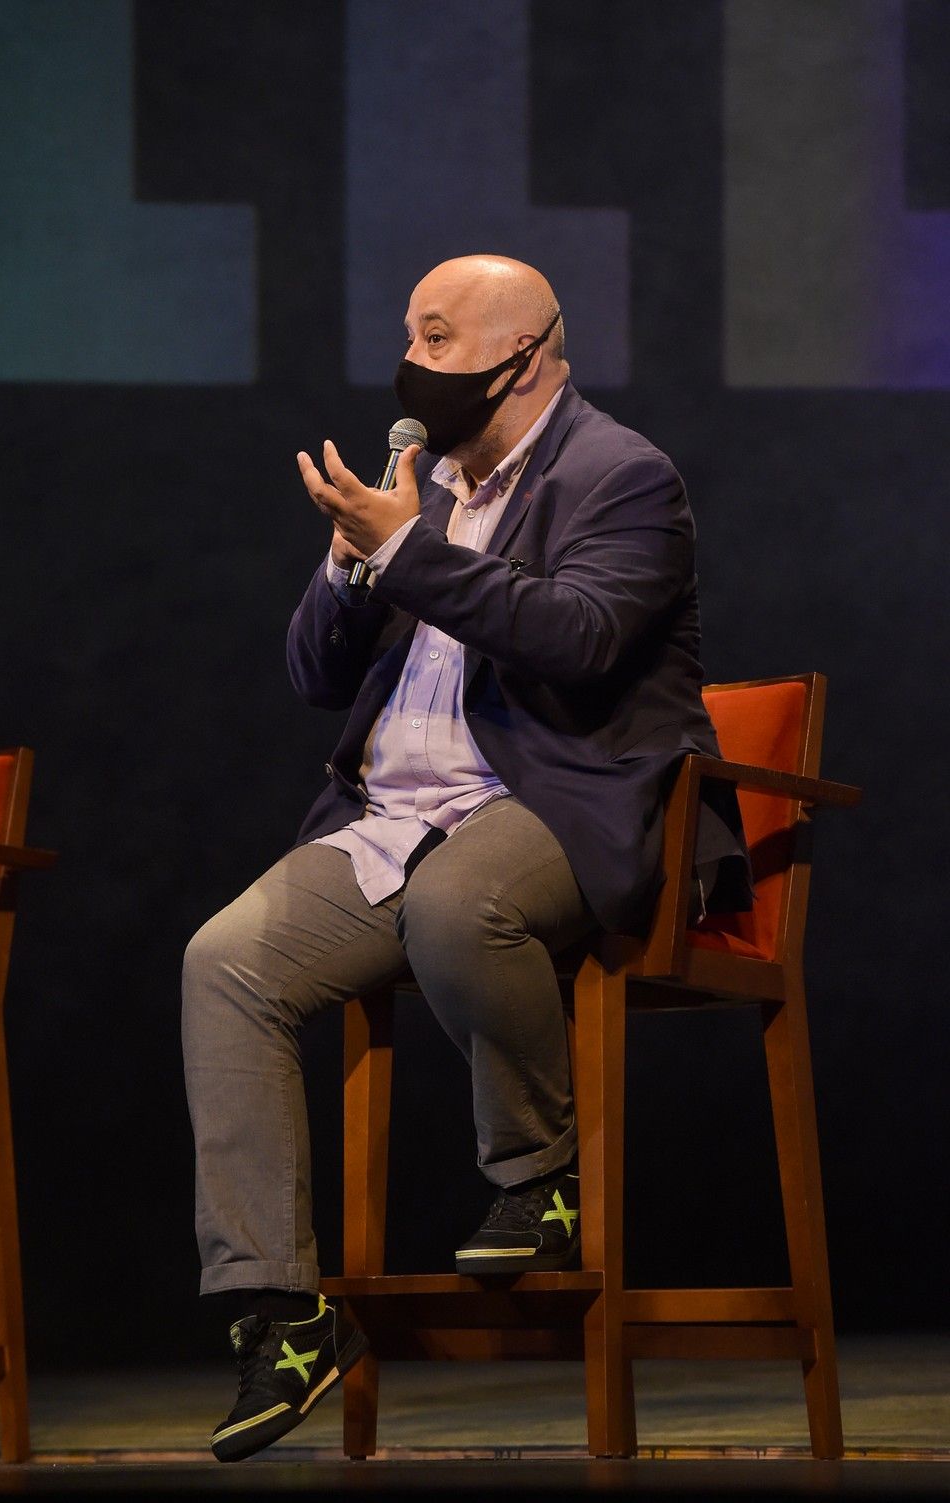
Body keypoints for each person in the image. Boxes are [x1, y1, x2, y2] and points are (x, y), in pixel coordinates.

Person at [182, 254, 749, 1462]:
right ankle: (281, 1313)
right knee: (224, 961)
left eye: (436, 339)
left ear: (525, 356)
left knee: (460, 901)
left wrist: (409, 552)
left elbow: (579, 640)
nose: (411, 363)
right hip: (392, 818)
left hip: (567, 801)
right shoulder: (417, 485)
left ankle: (539, 1174)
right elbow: (313, 679)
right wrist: (353, 559)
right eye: (409, 335)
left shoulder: (620, 475)